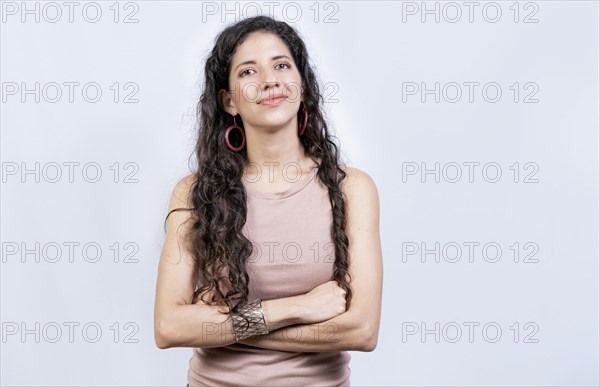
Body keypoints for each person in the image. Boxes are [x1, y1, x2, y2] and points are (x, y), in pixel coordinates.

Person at [153, 15, 383, 386]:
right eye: (247, 72)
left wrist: (225, 324)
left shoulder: (351, 188)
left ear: (302, 86)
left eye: (281, 65)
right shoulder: (195, 192)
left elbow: (361, 330)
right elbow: (169, 326)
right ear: (228, 101)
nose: (269, 80)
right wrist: (299, 308)